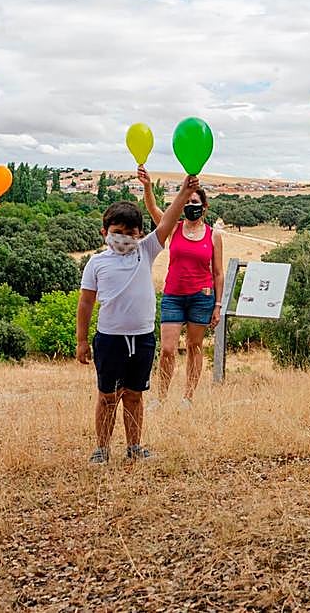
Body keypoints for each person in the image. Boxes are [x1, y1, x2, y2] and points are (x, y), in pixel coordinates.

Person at [76, 175, 199, 464]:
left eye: (131, 232)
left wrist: (183, 192)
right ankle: (102, 450)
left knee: (134, 396)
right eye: (118, 231)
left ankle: (134, 448)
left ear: (140, 233)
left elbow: (168, 220)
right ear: (104, 232)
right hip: (108, 340)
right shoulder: (96, 263)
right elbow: (85, 303)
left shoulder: (146, 250)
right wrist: (82, 340)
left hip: (142, 339)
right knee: (107, 396)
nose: (125, 237)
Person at [138, 167, 224, 409]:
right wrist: (147, 187)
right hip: (173, 295)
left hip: (202, 297)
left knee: (195, 347)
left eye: (195, 202)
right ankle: (161, 397)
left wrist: (218, 305)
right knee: (167, 349)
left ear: (204, 207)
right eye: (188, 201)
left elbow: (218, 272)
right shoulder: (173, 228)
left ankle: (188, 397)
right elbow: (153, 210)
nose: (191, 205)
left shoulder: (213, 235)